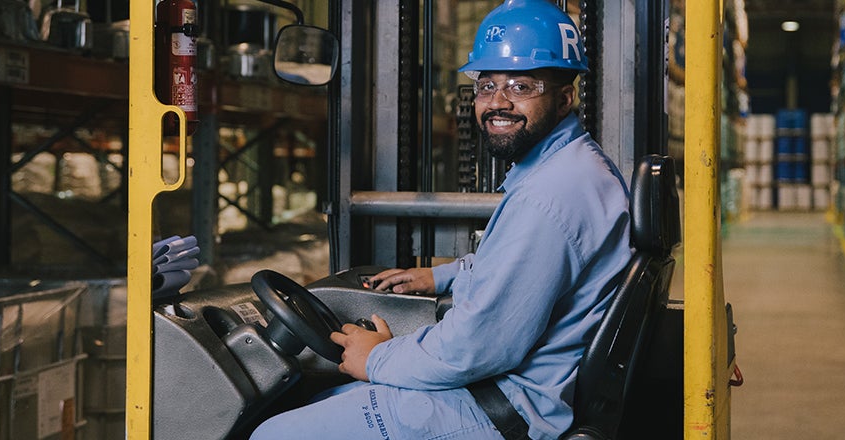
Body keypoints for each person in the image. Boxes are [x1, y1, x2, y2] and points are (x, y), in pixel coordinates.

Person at [250, 1, 630, 438]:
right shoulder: (573, 169)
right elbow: (524, 272)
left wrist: (377, 358)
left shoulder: (550, 197)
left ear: (564, 99)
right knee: (318, 401)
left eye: (522, 86)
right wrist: (443, 276)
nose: (497, 103)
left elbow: (478, 347)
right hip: (504, 391)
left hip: (498, 406)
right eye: (486, 86)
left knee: (272, 434)